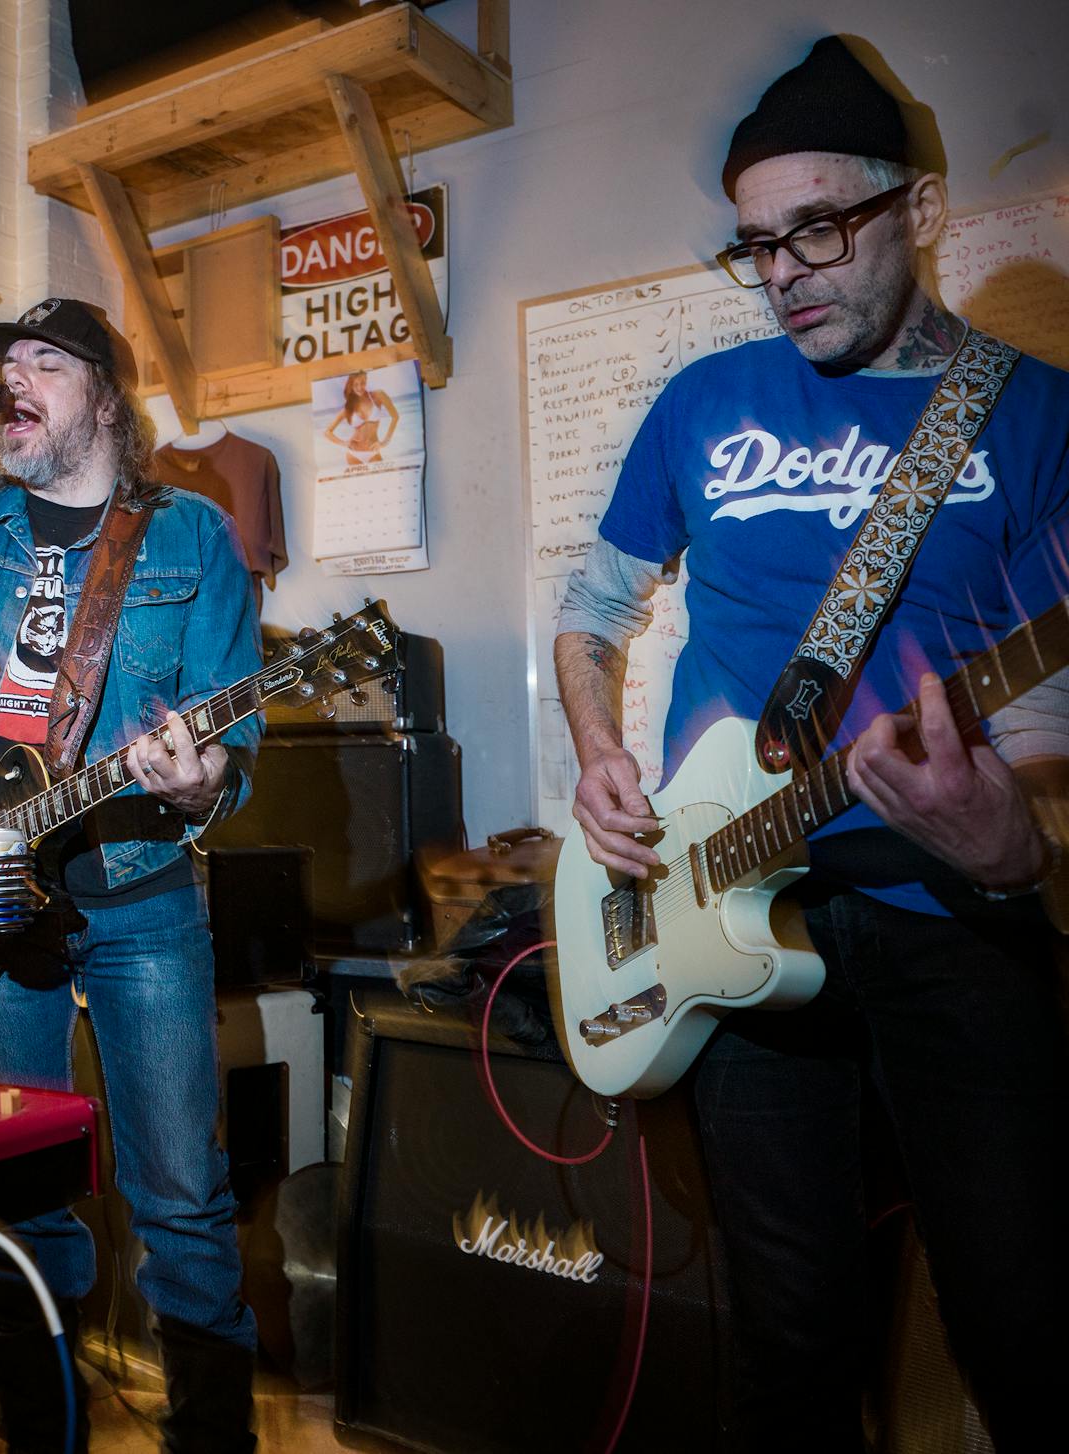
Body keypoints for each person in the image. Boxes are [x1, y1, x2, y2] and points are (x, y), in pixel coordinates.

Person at [554, 37, 1068, 1450]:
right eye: (758, 243)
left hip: (950, 917)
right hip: (724, 908)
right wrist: (600, 750)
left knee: (1023, 1330)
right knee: (789, 1343)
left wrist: (1012, 842)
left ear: (922, 207)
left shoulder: (1035, 414)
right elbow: (591, 611)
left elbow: (1053, 744)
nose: (784, 270)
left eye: (821, 229)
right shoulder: (705, 404)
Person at [0, 299, 262, 1453]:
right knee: (20, 1188)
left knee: (180, 1196)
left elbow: (232, 743)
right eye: (4, 365)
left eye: (46, 361)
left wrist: (198, 784)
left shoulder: (192, 536)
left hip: (141, 890)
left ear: (104, 395)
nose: (14, 380)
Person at [323, 369, 398, 466]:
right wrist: (344, 443)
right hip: (354, 454)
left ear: (366, 380)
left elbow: (395, 417)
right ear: (351, 386)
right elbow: (327, 432)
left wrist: (384, 442)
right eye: (356, 385)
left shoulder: (378, 395)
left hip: (373, 451)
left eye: (362, 383)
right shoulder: (348, 408)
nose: (360, 387)